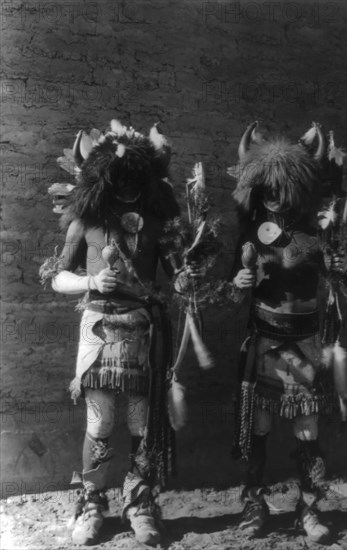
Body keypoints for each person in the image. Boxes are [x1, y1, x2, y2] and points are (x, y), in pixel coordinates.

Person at [47, 120, 191, 547]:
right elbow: (57, 278)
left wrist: (186, 279)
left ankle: (141, 502)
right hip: (97, 327)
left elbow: (176, 273)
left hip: (143, 329)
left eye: (134, 179)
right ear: (104, 178)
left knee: (141, 421)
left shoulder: (155, 224)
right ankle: (92, 502)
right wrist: (91, 283)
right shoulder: (85, 222)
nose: (127, 187)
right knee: (101, 419)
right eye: (119, 178)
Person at [229, 121, 347, 543]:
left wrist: (340, 270)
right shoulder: (252, 235)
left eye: (285, 186)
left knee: (307, 430)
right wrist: (239, 284)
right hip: (263, 342)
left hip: (305, 344)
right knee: (257, 427)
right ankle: (253, 505)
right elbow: (229, 289)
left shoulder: (315, 235)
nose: (277, 195)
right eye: (270, 186)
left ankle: (309, 509)